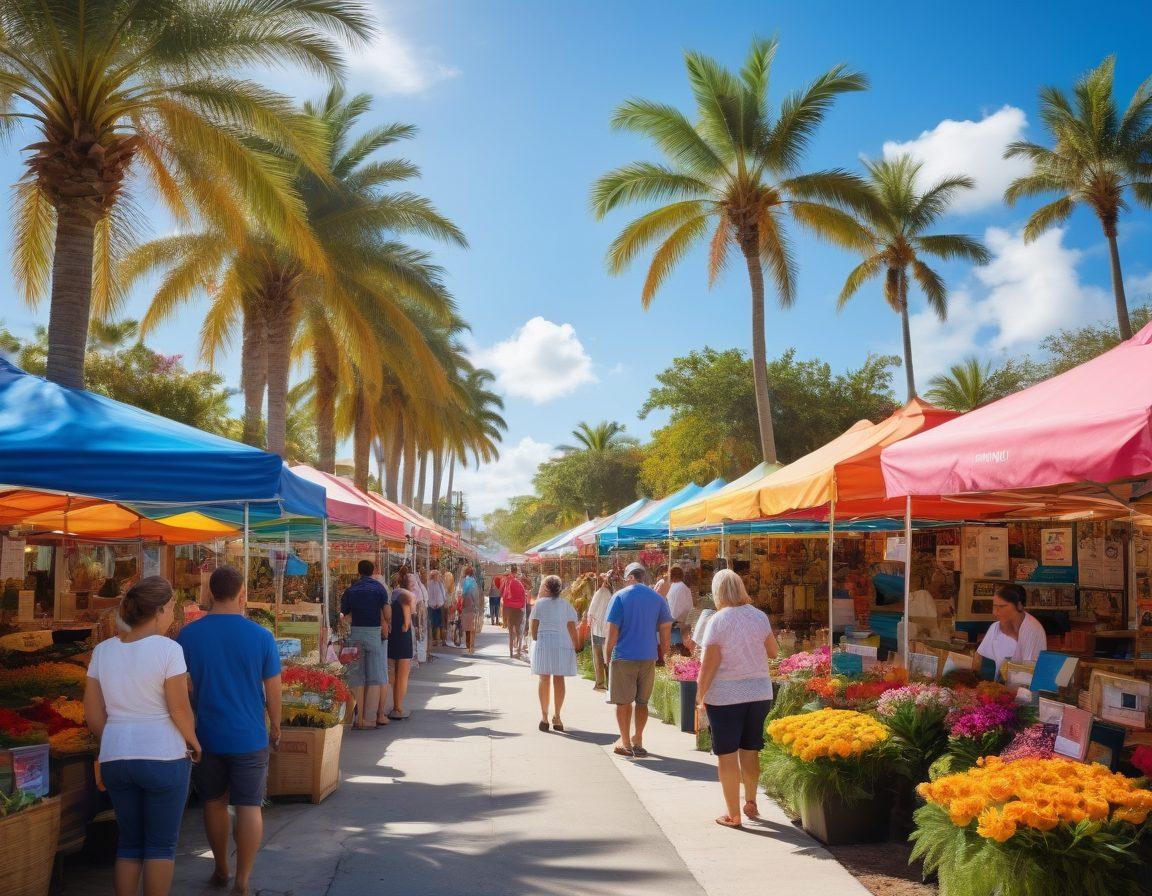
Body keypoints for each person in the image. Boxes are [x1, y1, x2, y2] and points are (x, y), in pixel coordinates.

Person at [84, 577, 198, 896]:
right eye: (173, 607)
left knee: (130, 844)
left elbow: (93, 714)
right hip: (163, 756)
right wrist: (194, 741)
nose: (174, 614)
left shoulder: (103, 651)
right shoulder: (169, 649)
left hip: (115, 757)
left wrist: (118, 738)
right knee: (160, 846)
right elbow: (179, 709)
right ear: (159, 610)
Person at [177, 566, 281, 896]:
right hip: (249, 735)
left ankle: (220, 867)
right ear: (242, 594)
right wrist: (276, 725)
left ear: (209, 593)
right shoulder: (261, 636)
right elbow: (273, 688)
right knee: (249, 806)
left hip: (205, 734)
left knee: (213, 801)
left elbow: (178, 687)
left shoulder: (189, 635)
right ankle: (243, 880)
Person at [695, 569, 779, 829]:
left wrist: (699, 698)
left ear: (717, 592)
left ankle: (733, 815)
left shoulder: (718, 621)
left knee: (727, 755)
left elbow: (709, 665)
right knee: (751, 749)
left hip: (726, 695)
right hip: (759, 693)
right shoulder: (759, 616)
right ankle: (751, 802)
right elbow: (774, 652)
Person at [605, 562, 673, 758]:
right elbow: (665, 628)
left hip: (624, 656)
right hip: (648, 656)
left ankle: (625, 742)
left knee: (623, 703)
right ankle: (638, 739)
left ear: (629, 577)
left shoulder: (620, 597)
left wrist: (606, 656)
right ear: (644, 577)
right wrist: (666, 654)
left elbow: (612, 632)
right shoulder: (658, 599)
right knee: (642, 702)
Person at [338, 560, 391, 730]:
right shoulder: (379, 589)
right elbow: (387, 613)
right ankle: (372, 717)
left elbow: (343, 615)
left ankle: (358, 718)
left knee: (357, 677)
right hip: (374, 633)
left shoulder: (351, 590)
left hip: (356, 634)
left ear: (358, 571)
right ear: (373, 570)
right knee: (375, 677)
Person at [529, 575, 579, 731]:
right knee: (559, 679)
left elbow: (533, 628)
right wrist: (576, 646)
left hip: (544, 643)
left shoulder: (539, 605)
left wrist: (537, 638)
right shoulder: (566, 605)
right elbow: (572, 628)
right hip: (562, 644)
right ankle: (557, 717)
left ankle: (544, 717)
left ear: (546, 588)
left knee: (544, 679)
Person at [977, 583, 1047, 676]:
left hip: (1023, 688)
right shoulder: (996, 627)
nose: (995, 612)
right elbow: (979, 656)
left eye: (1002, 607)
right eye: (994, 606)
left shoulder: (1032, 629)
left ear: (1019, 605)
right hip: (1000, 688)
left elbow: (1028, 671)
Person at [387, 570, 415, 719]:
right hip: (403, 638)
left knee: (393, 675)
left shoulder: (392, 597)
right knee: (402, 676)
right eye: (413, 583)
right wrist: (406, 624)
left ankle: (395, 706)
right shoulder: (404, 597)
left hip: (393, 638)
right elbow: (407, 622)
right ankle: (398, 707)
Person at [586, 572, 615, 691]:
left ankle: (600, 683)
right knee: (608, 657)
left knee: (598, 657)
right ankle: (610, 683)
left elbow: (591, 612)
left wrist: (589, 624)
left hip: (598, 629)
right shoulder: (612, 594)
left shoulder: (600, 593)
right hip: (608, 630)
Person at [501, 565, 528, 659]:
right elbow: (524, 597)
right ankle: (519, 651)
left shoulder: (508, 583)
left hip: (510, 611)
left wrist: (504, 617)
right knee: (519, 632)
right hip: (519, 610)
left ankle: (511, 653)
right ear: (516, 571)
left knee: (511, 634)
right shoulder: (519, 583)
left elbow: (504, 598)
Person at [665, 565, 694, 648]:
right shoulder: (683, 587)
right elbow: (687, 606)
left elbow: (675, 607)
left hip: (677, 622)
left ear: (672, 575)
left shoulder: (674, 587)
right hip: (681, 622)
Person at [460, 565, 482, 654]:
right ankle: (471, 646)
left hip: (465, 607)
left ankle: (468, 644)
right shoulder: (473, 582)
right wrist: (477, 606)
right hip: (472, 607)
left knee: (467, 627)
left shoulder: (464, 581)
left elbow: (461, 594)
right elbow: (476, 596)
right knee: (472, 627)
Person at [426, 569, 446, 647]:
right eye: (437, 575)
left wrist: (441, 603)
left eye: (438, 575)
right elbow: (429, 595)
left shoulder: (440, 584)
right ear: (433, 576)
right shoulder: (429, 584)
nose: (438, 577)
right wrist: (432, 604)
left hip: (439, 606)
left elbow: (442, 594)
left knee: (439, 624)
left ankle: (438, 639)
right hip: (431, 606)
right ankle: (432, 640)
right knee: (432, 623)